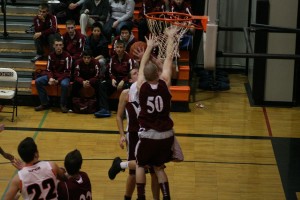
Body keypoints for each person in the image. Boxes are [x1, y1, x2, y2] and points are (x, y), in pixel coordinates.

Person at [135, 28, 177, 200]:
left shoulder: (141, 86)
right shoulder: (165, 82)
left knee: (140, 164)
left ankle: (141, 196)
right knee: (159, 167)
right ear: (158, 74)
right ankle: (166, 197)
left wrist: (148, 48)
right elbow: (168, 59)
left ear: (144, 75)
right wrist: (170, 37)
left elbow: (142, 67)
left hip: (149, 133)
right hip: (166, 134)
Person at [108, 68, 161, 200]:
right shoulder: (126, 94)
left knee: (155, 171)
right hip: (133, 134)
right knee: (134, 172)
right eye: (135, 73)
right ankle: (127, 197)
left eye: (140, 72)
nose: (139, 74)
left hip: (150, 133)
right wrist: (121, 135)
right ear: (130, 80)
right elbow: (119, 117)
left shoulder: (149, 92)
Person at [94, 39, 136, 118]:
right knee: (102, 85)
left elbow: (131, 73)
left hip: (126, 80)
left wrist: (123, 81)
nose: (119, 49)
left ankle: (125, 110)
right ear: (115, 48)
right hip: (115, 80)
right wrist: (112, 79)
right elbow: (110, 71)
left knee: (128, 86)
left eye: (121, 47)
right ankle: (104, 109)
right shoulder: (112, 58)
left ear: (124, 48)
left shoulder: (129, 58)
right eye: (117, 47)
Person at [34, 37, 72, 113]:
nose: (58, 47)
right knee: (38, 81)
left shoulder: (67, 56)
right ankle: (45, 103)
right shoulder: (50, 55)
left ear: (63, 46)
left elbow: (68, 72)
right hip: (53, 76)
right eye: (57, 45)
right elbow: (48, 70)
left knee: (64, 84)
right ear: (53, 46)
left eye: (60, 45)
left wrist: (58, 80)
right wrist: (51, 78)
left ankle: (63, 105)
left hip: (63, 77)